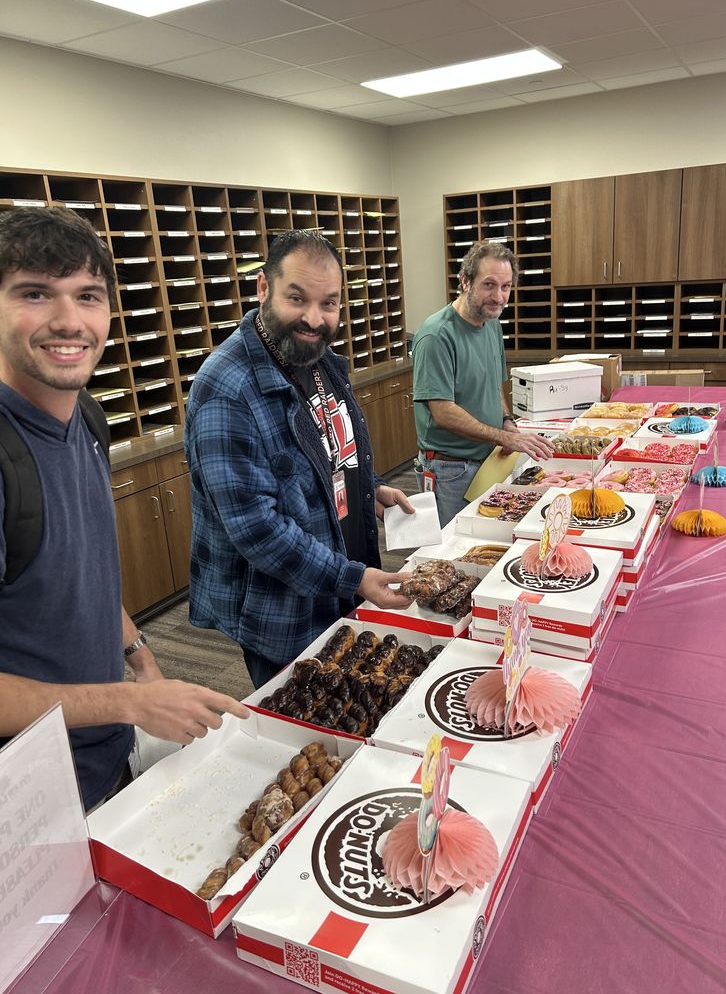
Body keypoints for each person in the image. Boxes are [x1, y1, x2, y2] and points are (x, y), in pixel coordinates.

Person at [0, 207, 248, 812]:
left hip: (103, 759)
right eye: (35, 293)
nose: (69, 321)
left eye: (88, 295)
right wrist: (130, 703)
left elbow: (77, 575)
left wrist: (139, 656)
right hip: (29, 799)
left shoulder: (85, 416)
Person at [185, 230, 413, 689]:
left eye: (329, 303)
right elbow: (257, 530)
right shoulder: (226, 389)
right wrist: (351, 577)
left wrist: (365, 489)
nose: (314, 318)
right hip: (284, 613)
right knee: (310, 728)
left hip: (341, 581)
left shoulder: (319, 359)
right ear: (263, 288)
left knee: (354, 708)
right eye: (297, 298)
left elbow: (331, 454)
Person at [412, 241, 555, 527]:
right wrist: (504, 438)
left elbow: (493, 384)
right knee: (451, 553)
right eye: (489, 285)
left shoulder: (492, 325)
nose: (499, 297)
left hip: (487, 461)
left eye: (506, 287)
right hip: (449, 470)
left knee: (484, 543)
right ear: (465, 281)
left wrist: (507, 422)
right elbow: (442, 412)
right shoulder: (436, 336)